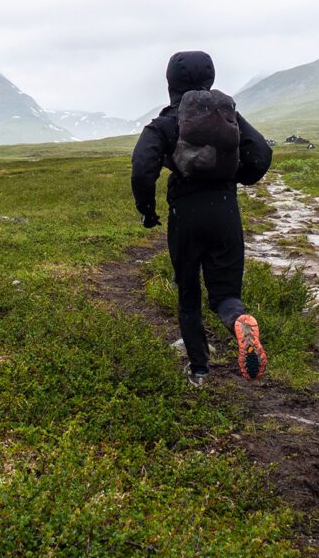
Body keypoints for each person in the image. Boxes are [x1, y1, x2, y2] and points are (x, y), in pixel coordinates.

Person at [131, 50, 273, 387]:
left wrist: (148, 210)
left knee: (188, 293)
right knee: (225, 294)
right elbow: (261, 156)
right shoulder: (230, 118)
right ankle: (238, 320)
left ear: (170, 83)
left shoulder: (165, 122)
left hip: (185, 213)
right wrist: (234, 179)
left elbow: (142, 168)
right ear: (210, 79)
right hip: (225, 210)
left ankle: (199, 370)